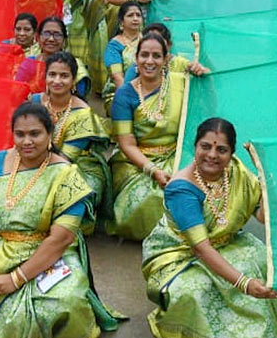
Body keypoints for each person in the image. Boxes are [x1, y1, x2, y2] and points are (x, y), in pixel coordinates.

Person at [0, 102, 120, 338]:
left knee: (67, 303)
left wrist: (15, 279)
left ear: (49, 135)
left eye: (35, 134)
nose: (27, 141)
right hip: (0, 254)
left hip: (51, 255)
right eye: (20, 134)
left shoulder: (66, 175)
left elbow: (61, 238)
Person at [142, 118, 277, 338]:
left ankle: (253, 335)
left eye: (221, 150)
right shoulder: (182, 189)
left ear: (231, 153)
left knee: (259, 261)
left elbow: (263, 216)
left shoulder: (236, 172)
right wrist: (244, 284)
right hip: (180, 254)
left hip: (227, 242)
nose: (212, 155)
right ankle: (207, 334)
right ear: (195, 147)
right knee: (194, 291)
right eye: (205, 147)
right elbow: (201, 248)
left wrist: (267, 181)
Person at [108, 31, 206, 241]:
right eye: (144, 55)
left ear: (165, 59)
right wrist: (153, 170)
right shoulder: (125, 94)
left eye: (156, 56)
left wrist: (198, 72)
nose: (149, 61)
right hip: (137, 161)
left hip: (177, 154)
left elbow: (203, 101)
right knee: (152, 198)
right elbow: (126, 144)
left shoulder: (181, 83)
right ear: (136, 59)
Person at [30, 52, 114, 232]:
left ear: (74, 80)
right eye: (52, 75)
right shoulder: (35, 101)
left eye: (64, 76)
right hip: (35, 160)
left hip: (78, 167)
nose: (57, 81)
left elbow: (66, 160)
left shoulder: (82, 114)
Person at [17, 16, 92, 100]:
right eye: (46, 34)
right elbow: (17, 95)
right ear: (38, 38)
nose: (51, 39)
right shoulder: (29, 63)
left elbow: (79, 98)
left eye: (57, 35)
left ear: (64, 40)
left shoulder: (76, 65)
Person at [103, 0, 144, 101]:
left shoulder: (148, 40)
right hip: (119, 92)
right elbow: (117, 78)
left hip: (147, 90)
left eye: (138, 15)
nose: (135, 19)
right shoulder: (114, 45)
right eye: (130, 15)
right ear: (121, 22)